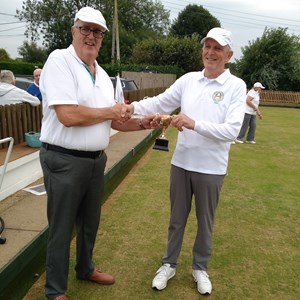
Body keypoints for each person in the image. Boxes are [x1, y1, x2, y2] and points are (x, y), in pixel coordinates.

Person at [39, 7, 157, 300]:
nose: (91, 36)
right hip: (63, 159)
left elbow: (115, 120)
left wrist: (145, 122)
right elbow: (67, 114)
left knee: (90, 222)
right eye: (85, 29)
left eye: (97, 31)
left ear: (103, 38)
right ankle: (55, 290)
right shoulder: (59, 60)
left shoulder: (103, 74)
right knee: (61, 227)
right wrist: (110, 111)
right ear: (73, 31)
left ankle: (85, 267)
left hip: (95, 160)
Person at [128, 27, 246, 295]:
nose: (211, 53)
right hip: (181, 163)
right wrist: (133, 108)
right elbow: (162, 101)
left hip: (212, 168)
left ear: (229, 55)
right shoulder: (189, 80)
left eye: (218, 48)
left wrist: (193, 123)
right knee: (176, 219)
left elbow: (232, 131)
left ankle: (199, 268)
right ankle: (168, 264)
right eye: (207, 46)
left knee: (205, 222)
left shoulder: (236, 86)